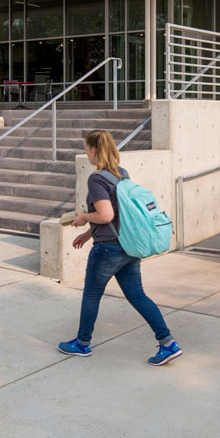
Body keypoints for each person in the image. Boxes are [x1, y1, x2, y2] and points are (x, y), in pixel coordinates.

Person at [59, 130, 182, 366]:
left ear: (94, 150)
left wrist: (84, 216)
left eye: (86, 149)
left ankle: (82, 344)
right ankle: (168, 343)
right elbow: (118, 216)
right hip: (127, 245)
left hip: (108, 250)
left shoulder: (96, 179)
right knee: (138, 296)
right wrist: (87, 233)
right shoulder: (121, 174)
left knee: (91, 295)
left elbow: (106, 215)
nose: (86, 153)